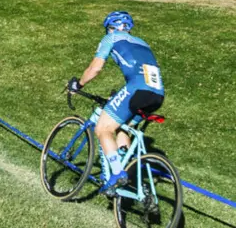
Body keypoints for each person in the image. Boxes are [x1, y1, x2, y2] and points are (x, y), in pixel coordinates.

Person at [67, 11, 165, 195]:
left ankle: (118, 174)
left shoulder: (111, 38)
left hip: (137, 90)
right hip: (157, 94)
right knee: (122, 128)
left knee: (103, 129)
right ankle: (128, 175)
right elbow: (141, 72)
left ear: (111, 27)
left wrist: (78, 84)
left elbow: (95, 69)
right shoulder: (143, 43)